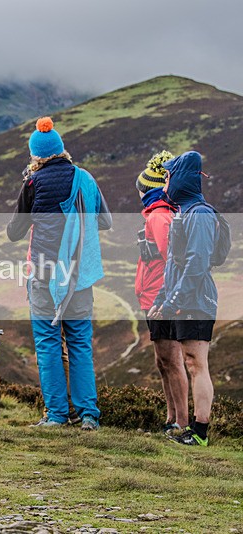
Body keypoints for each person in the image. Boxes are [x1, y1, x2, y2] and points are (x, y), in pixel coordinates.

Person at [7, 117, 111, 431]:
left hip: (44, 275)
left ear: (35, 154)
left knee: (48, 343)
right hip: (79, 274)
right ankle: (88, 415)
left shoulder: (33, 182)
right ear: (61, 149)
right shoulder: (85, 179)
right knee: (80, 342)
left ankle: (56, 415)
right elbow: (104, 221)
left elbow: (14, 232)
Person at [148, 151, 219, 447]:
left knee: (195, 363)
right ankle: (190, 429)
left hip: (196, 301)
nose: (165, 181)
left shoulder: (200, 214)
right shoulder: (184, 212)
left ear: (180, 178)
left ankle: (200, 432)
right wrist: (164, 298)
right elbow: (174, 265)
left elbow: (197, 262)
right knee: (189, 361)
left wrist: (175, 297)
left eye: (168, 175)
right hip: (182, 300)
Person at [133, 150, 189, 434]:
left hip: (160, 299)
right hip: (154, 297)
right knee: (162, 360)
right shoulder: (158, 215)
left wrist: (165, 299)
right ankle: (171, 418)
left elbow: (172, 261)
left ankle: (181, 421)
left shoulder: (159, 217)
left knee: (172, 360)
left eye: (142, 188)